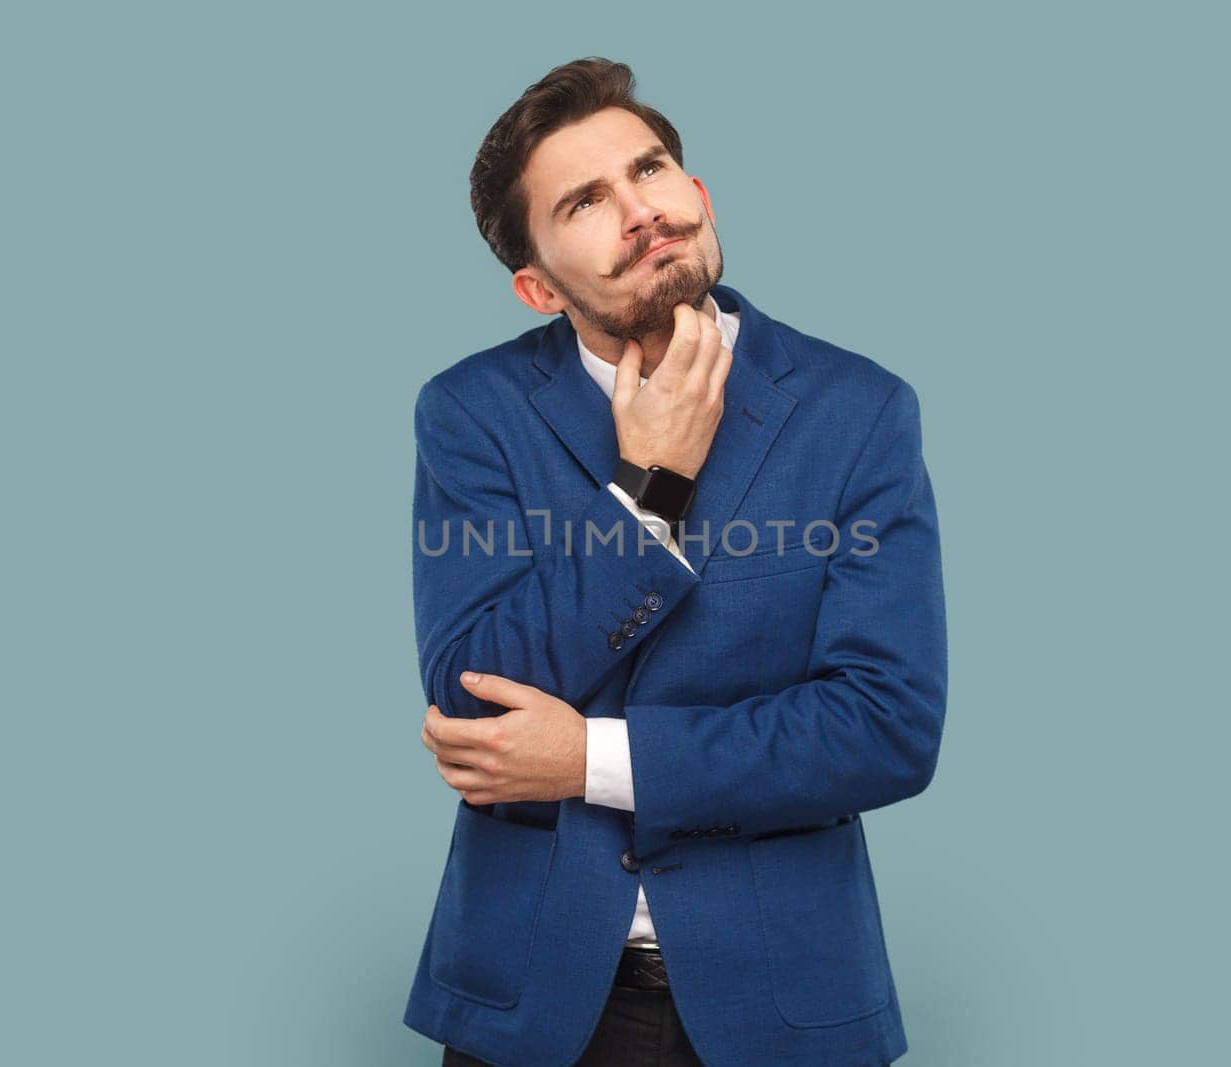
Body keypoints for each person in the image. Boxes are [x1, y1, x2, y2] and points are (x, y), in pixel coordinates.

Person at [404, 57, 948, 1067]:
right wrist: (648, 484)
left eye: (649, 170)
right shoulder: (471, 413)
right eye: (585, 200)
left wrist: (589, 760)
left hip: (782, 994)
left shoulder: (860, 411)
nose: (640, 210)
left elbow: (886, 726)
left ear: (695, 193)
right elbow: (474, 701)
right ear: (536, 284)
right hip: (535, 993)